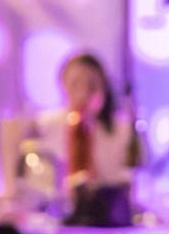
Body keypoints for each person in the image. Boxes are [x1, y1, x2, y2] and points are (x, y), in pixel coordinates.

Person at [33, 53, 134, 187]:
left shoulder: (121, 130)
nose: (82, 94)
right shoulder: (47, 124)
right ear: (63, 85)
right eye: (75, 84)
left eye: (92, 86)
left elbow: (132, 178)